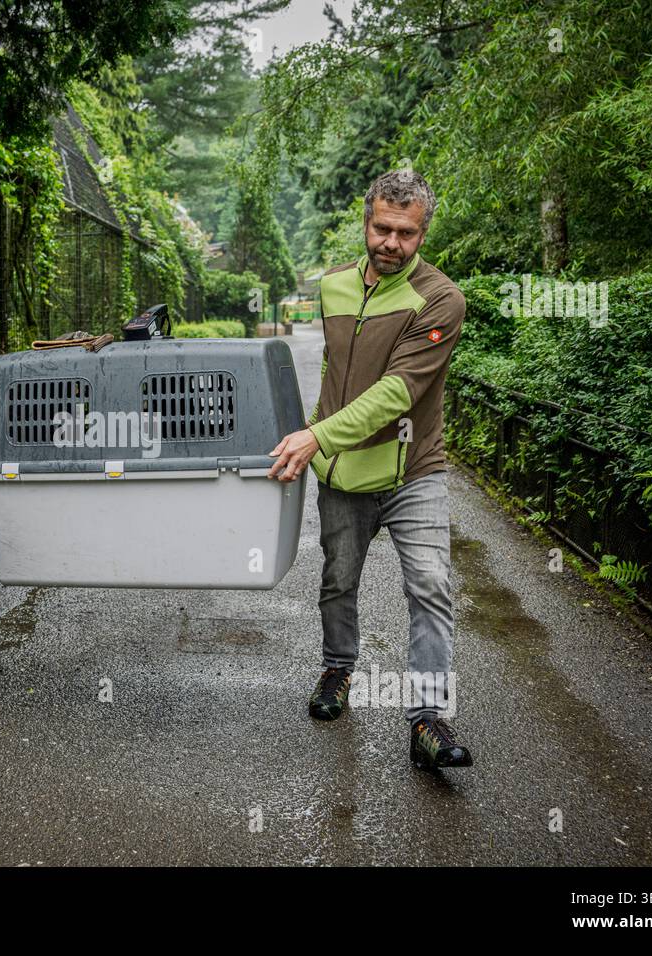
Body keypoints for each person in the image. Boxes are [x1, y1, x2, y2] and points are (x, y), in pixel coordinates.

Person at [267, 170, 473, 770]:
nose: (391, 243)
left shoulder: (441, 299)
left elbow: (396, 392)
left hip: (415, 471)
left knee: (431, 583)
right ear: (366, 222)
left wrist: (316, 435)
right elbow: (335, 377)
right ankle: (337, 671)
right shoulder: (332, 288)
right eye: (382, 228)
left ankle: (429, 719)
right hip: (342, 473)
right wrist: (307, 437)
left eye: (406, 234)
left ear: (423, 234)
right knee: (337, 580)